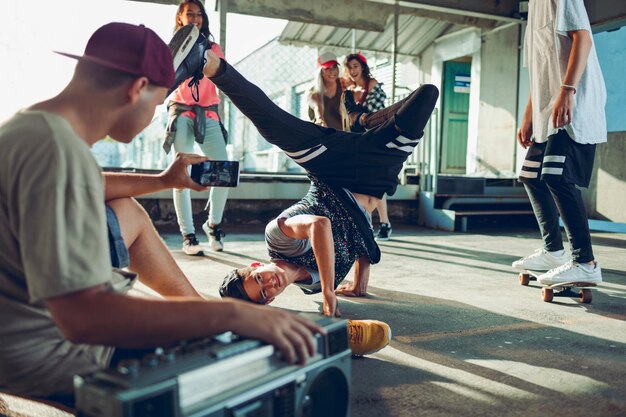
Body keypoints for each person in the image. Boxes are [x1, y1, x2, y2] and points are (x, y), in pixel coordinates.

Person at [0, 22, 323, 405]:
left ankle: (195, 312)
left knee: (126, 209)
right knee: (234, 373)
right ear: (137, 88)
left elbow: (86, 184)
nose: (154, 115)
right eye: (156, 105)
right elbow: (85, 319)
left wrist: (166, 179)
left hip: (14, 320)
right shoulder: (58, 152)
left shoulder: (30, 130)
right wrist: (232, 317)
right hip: (42, 351)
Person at [170, 29, 438, 317]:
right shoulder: (312, 284)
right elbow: (355, 233)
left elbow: (320, 226)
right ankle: (362, 121)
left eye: (259, 279)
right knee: (426, 97)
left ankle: (206, 61)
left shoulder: (278, 238)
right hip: (374, 174)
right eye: (263, 295)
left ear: (258, 266)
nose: (269, 285)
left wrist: (329, 292)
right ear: (269, 303)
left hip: (332, 169)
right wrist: (360, 282)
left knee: (273, 124)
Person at [511, 0, 605, 285]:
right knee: (530, 175)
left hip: (574, 102)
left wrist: (568, 90)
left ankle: (585, 262)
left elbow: (583, 37)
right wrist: (529, 115)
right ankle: (554, 251)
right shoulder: (532, 8)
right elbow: (540, 70)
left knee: (556, 177)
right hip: (547, 109)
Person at [164, 0, 230, 255]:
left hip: (209, 113)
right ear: (179, 17)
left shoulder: (213, 47)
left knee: (223, 170)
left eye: (198, 14)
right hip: (180, 110)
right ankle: (188, 235)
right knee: (181, 170)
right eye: (189, 13)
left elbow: (221, 79)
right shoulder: (171, 48)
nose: (194, 17)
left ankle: (212, 225)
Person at [342, 52, 392, 241]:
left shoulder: (372, 85)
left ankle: (385, 223)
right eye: (349, 67)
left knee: (375, 182)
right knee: (361, 184)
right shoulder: (350, 89)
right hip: (357, 141)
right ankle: (367, 226)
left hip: (376, 139)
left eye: (355, 66)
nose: (352, 70)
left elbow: (376, 115)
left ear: (362, 67)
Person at [308, 51, 346, 130]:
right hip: (326, 136)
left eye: (334, 67)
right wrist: (320, 119)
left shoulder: (344, 84)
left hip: (347, 135)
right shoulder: (314, 93)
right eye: (327, 68)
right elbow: (318, 108)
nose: (332, 71)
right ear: (320, 72)